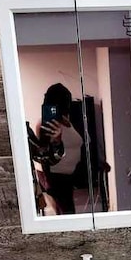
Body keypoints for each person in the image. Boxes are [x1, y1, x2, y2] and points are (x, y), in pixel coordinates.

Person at [34, 83, 85, 216]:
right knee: (68, 214)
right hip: (56, 177)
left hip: (69, 177)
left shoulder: (66, 120)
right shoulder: (45, 124)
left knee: (67, 212)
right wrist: (57, 140)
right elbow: (44, 155)